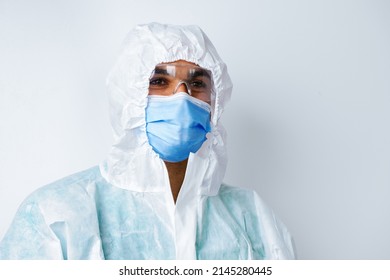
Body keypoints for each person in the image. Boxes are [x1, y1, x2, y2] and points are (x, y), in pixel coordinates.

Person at [0, 23, 295, 260]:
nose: (181, 97)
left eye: (197, 83)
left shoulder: (252, 217)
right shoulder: (57, 214)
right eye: (159, 82)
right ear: (128, 93)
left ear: (215, 101)